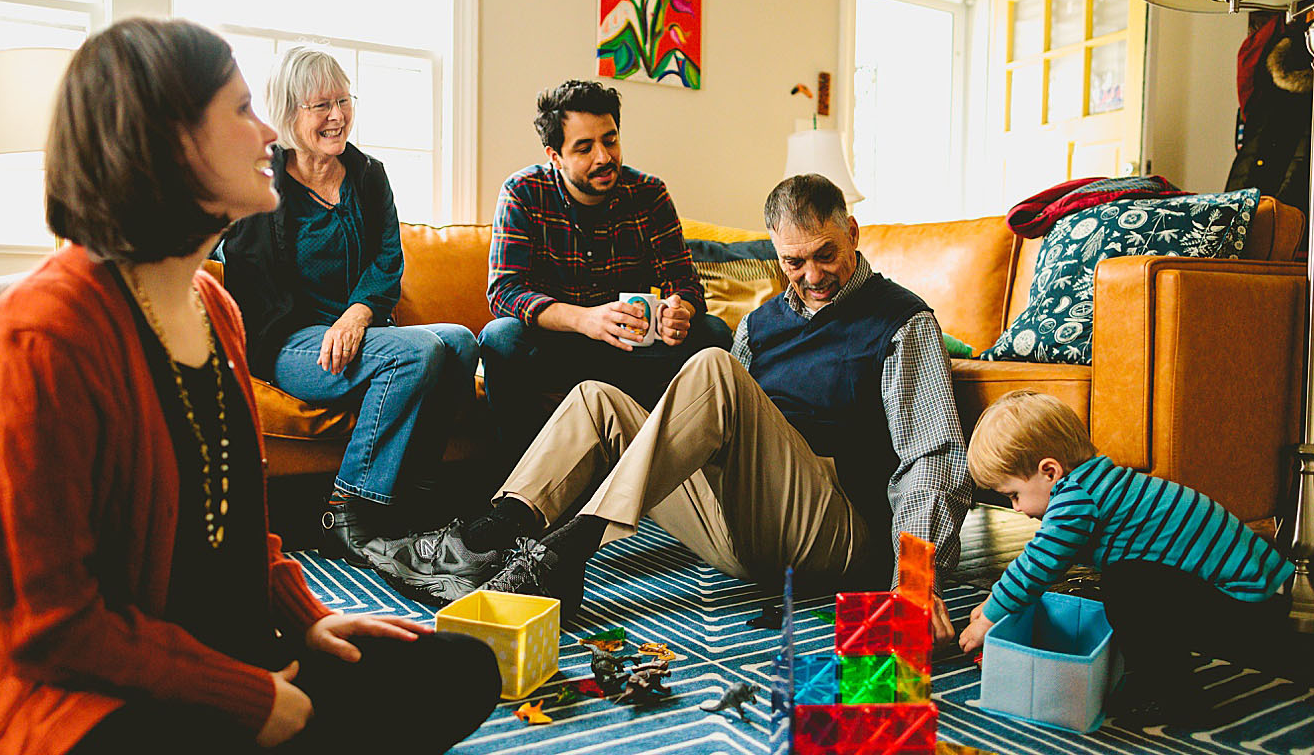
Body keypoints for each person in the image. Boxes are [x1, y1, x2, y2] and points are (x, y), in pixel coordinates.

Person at [0, 18, 499, 755]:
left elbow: (235, 528)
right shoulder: (44, 335)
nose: (268, 130)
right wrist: (249, 698)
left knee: (458, 670)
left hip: (222, 656)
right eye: (241, 111)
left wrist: (306, 620)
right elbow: (47, 626)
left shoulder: (212, 310)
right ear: (162, 144)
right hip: (81, 695)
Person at [363, 173, 971, 632]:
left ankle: (565, 553)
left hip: (837, 529)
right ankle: (490, 538)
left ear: (853, 235)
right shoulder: (762, 323)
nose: (809, 275)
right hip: (746, 531)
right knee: (595, 400)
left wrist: (914, 582)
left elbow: (933, 460)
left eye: (825, 255)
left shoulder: (900, 320)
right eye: (792, 260)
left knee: (712, 368)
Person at [220, 46, 478, 562]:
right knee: (418, 352)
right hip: (292, 343)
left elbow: (388, 257)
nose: (337, 116)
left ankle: (415, 496)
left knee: (459, 342)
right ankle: (345, 508)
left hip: (359, 332)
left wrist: (358, 314)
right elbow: (235, 262)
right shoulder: (261, 179)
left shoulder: (367, 174)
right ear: (289, 112)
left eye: (343, 100)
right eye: (321, 106)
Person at [958, 389, 1309, 724]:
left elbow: (1040, 561)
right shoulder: (1100, 482)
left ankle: (1176, 696)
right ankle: (1156, 675)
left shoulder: (1076, 497)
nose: (1016, 508)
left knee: (1126, 585)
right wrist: (998, 599)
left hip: (1247, 608)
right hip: (1258, 595)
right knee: (1125, 583)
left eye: (1014, 495)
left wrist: (991, 616)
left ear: (1050, 472)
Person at [479, 80, 731, 470]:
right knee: (501, 339)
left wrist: (680, 311)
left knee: (713, 334)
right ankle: (515, 485)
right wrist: (584, 318)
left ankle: (677, 479)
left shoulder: (649, 194)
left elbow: (684, 283)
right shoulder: (523, 192)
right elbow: (504, 292)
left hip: (629, 351)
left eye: (610, 141)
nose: (603, 157)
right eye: (584, 148)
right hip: (558, 347)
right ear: (555, 156)